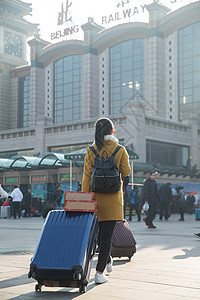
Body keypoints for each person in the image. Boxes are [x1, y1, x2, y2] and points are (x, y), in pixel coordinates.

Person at [82, 117, 131, 284]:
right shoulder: (120, 149)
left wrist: (85, 198)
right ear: (112, 131)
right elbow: (126, 171)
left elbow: (86, 177)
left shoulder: (91, 150)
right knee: (107, 236)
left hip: (95, 200)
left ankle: (107, 260)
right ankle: (99, 272)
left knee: (98, 235)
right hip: (112, 200)